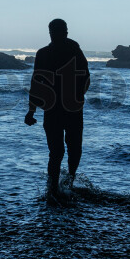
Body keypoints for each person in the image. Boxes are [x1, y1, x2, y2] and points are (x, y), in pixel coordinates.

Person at [24, 18, 90, 193]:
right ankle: (61, 185)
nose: (65, 34)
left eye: (64, 31)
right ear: (54, 33)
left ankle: (60, 186)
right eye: (62, 31)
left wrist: (31, 111)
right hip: (67, 110)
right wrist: (31, 111)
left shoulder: (70, 51)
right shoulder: (51, 53)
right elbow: (37, 83)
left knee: (62, 151)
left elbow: (36, 84)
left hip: (61, 109)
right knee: (66, 150)